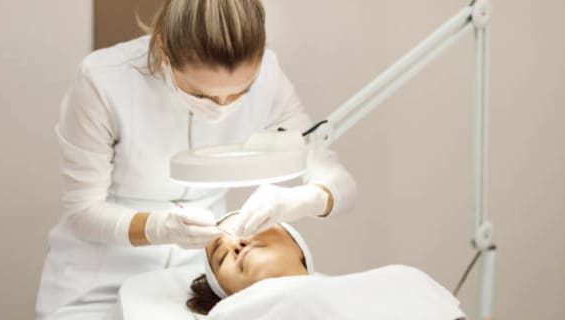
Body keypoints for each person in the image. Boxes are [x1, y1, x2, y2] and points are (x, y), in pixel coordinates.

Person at [35, 1, 357, 319]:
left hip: (192, 283)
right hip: (96, 281)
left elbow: (338, 182)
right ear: (163, 49)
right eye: (202, 95)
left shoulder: (269, 77)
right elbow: (83, 211)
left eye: (241, 93)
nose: (222, 107)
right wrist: (158, 228)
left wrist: (300, 200)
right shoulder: (104, 82)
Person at [187, 212, 466, 320]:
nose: (236, 245)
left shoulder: (401, 278)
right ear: (226, 291)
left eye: (248, 227)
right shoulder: (232, 313)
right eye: (221, 257)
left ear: (298, 246)